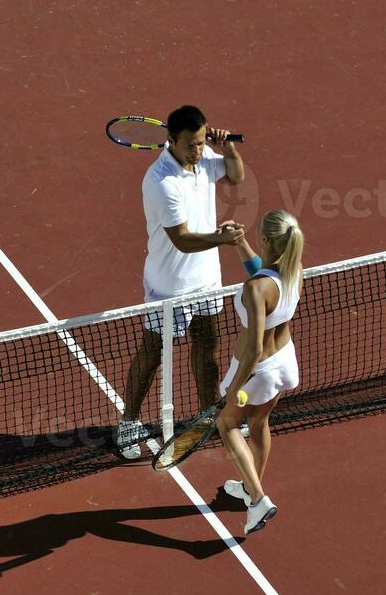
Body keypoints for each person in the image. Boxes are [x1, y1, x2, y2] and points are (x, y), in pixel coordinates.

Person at [117, 105, 245, 460]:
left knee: (209, 350)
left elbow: (236, 177)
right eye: (191, 145)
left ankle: (210, 413)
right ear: (171, 140)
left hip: (207, 282)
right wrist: (222, 239)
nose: (198, 151)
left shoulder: (204, 159)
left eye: (203, 142)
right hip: (168, 288)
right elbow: (183, 239)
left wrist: (229, 149)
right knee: (153, 354)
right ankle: (129, 422)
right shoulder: (161, 182)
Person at [217, 209, 305, 535]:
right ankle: (250, 483)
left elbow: (253, 348)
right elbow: (266, 275)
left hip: (258, 369)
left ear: (266, 239)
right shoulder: (295, 270)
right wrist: (240, 245)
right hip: (284, 360)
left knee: (226, 424)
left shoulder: (255, 290)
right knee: (259, 422)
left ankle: (256, 500)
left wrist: (234, 385)